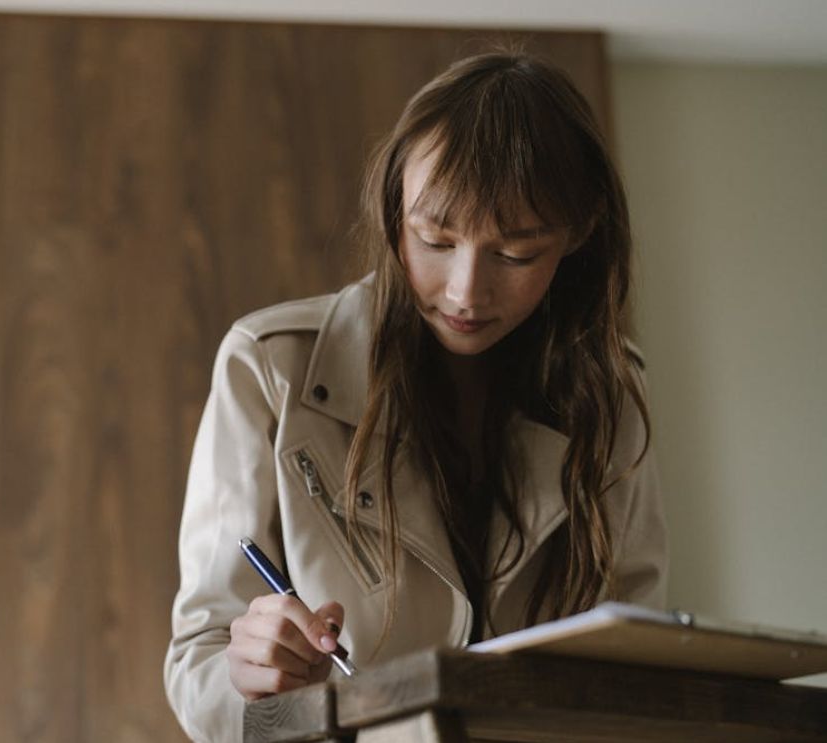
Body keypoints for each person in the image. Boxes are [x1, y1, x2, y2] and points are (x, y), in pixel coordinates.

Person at [164, 53, 668, 741]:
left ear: (577, 236)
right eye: (434, 238)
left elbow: (640, 658)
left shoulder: (610, 390)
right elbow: (198, 664)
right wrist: (249, 675)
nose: (465, 290)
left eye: (516, 254)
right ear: (392, 206)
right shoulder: (268, 366)